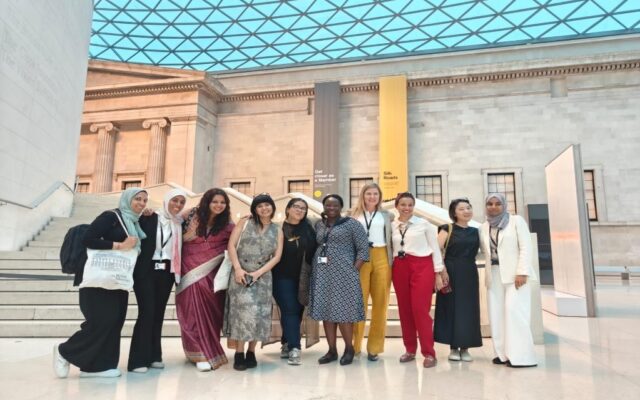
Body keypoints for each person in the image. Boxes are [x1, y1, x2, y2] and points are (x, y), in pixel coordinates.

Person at [53, 188, 147, 378]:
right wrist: (119, 246)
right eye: (137, 199)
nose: (142, 203)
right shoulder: (110, 216)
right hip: (97, 279)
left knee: (114, 322)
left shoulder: (134, 223)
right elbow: (88, 239)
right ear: (127, 199)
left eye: (145, 200)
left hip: (117, 279)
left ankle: (97, 366)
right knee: (101, 321)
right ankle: (65, 351)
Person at [128, 188, 187, 372]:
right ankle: (138, 360)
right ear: (167, 200)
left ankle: (154, 356)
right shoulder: (150, 216)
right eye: (174, 200)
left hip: (167, 272)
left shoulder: (179, 223)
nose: (177, 205)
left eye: (181, 202)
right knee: (147, 312)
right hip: (146, 270)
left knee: (158, 314)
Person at [176, 188, 234, 372]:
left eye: (222, 202)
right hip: (189, 270)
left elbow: (235, 242)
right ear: (207, 201)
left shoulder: (227, 223)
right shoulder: (190, 215)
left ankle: (209, 349)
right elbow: (169, 222)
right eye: (215, 201)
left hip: (214, 275)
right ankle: (197, 352)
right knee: (191, 312)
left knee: (211, 314)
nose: (218, 205)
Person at [225, 193, 284, 371]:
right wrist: (237, 268)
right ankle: (239, 353)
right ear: (255, 209)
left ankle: (251, 351)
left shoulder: (278, 229)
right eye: (260, 206)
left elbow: (277, 256)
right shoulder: (244, 223)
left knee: (259, 314)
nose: (264, 208)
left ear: (272, 207)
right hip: (240, 274)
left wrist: (258, 273)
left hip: (263, 277)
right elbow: (231, 246)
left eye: (267, 205)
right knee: (242, 314)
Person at [309, 194, 369, 366]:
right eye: (328, 205)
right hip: (322, 274)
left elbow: (363, 250)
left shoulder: (352, 224)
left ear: (341, 207)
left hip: (345, 275)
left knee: (344, 314)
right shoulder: (319, 224)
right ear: (324, 207)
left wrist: (353, 270)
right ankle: (332, 350)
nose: (331, 208)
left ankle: (349, 349)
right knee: (327, 313)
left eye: (335, 206)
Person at [480, 193, 537, 368]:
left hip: (515, 276)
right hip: (494, 274)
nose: (493, 207)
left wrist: (522, 272)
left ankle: (522, 357)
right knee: (496, 315)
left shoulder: (516, 221)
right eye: (490, 203)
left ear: (504, 205)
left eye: (498, 203)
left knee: (515, 313)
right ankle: (502, 354)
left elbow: (526, 247)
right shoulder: (483, 226)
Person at [391, 192, 444, 368]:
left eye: (410, 205)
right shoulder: (392, 225)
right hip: (399, 266)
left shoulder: (424, 224)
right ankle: (410, 349)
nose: (406, 208)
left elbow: (435, 248)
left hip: (422, 266)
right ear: (396, 206)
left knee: (420, 310)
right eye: (403, 204)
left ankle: (429, 353)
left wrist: (438, 272)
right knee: (405, 310)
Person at [434, 198, 482, 362]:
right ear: (454, 213)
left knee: (468, 309)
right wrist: (441, 270)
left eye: (468, 208)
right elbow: (436, 249)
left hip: (469, 271)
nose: (466, 211)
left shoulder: (477, 231)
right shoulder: (447, 229)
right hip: (450, 271)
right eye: (461, 209)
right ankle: (453, 347)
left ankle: (466, 347)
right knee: (450, 308)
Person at [350, 183, 393, 361]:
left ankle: (374, 347)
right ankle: (356, 345)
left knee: (381, 303)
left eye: (375, 194)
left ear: (380, 196)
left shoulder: (387, 215)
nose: (372, 197)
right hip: (360, 258)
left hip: (382, 256)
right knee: (358, 303)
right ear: (363, 195)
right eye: (369, 194)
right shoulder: (353, 215)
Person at [272, 198, 317, 366]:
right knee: (290, 309)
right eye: (296, 207)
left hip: (304, 277)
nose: (300, 210)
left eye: (303, 208)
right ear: (288, 209)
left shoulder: (309, 228)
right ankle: (294, 348)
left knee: (297, 311)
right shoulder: (278, 228)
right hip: (281, 277)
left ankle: (286, 342)